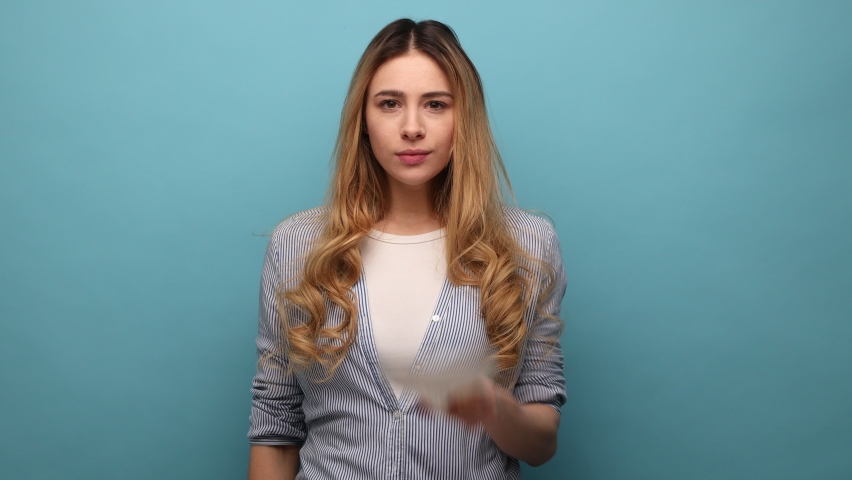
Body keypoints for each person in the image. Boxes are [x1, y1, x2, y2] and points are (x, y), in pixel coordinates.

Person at [247, 18, 567, 480]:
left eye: (436, 104)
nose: (412, 127)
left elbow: (541, 445)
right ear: (363, 118)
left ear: (464, 119)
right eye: (390, 104)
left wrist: (498, 409)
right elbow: (274, 428)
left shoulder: (528, 246)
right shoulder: (298, 245)